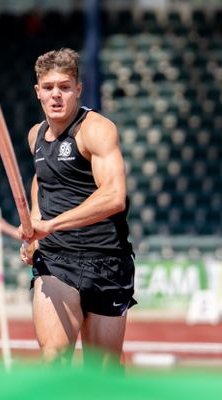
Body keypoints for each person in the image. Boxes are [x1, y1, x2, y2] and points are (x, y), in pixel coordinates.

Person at [18, 48, 136, 371]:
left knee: (103, 375)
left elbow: (114, 196)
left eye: (65, 87)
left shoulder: (96, 130)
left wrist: (51, 224)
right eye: (49, 87)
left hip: (106, 260)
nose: (56, 95)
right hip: (57, 261)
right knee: (54, 358)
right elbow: (42, 179)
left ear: (78, 89)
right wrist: (36, 226)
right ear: (38, 92)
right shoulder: (35, 137)